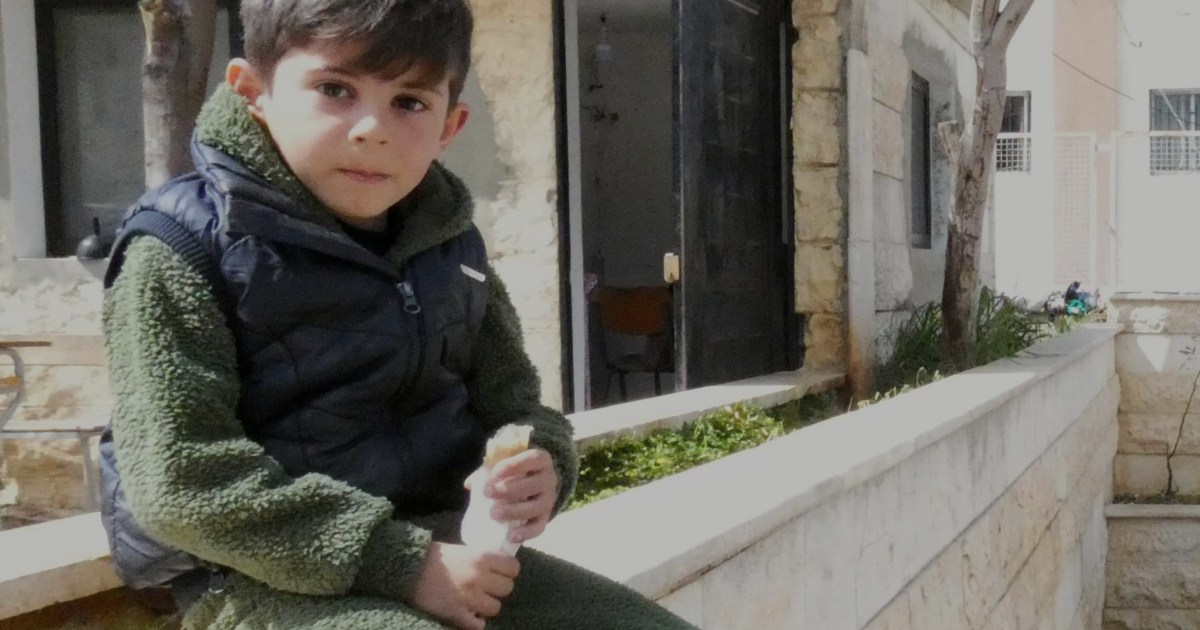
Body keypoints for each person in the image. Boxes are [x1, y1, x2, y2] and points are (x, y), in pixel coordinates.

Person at [100, 1, 695, 628]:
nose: (371, 129)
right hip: (252, 576)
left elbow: (514, 404)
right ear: (254, 92)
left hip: (440, 546)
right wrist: (403, 563)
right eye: (335, 89)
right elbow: (181, 482)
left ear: (449, 126)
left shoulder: (447, 242)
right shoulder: (179, 244)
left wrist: (540, 466)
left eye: (408, 102)